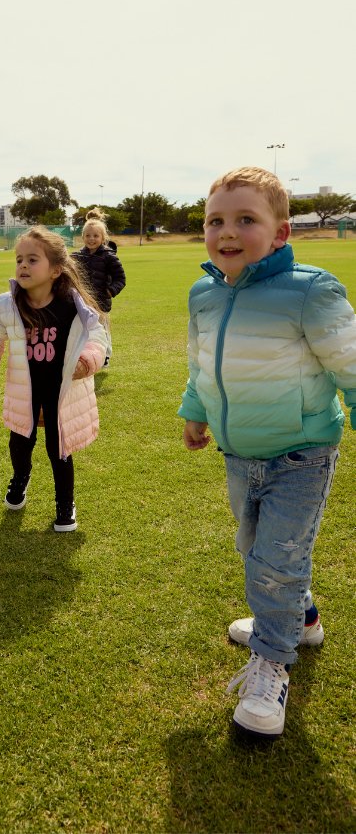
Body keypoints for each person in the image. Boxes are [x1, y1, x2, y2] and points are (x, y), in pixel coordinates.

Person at [178, 166, 356, 738]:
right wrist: (196, 409)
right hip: (238, 452)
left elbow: (350, 363)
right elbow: (201, 362)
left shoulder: (310, 290)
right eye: (216, 221)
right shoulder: (204, 293)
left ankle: (272, 663)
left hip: (301, 453)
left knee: (276, 561)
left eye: (245, 220)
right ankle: (301, 620)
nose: (227, 232)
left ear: (280, 232)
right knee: (255, 546)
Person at [0, 225, 107, 532]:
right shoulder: (8, 304)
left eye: (33, 260)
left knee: (58, 448)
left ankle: (65, 503)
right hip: (25, 389)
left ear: (56, 270)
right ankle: (20, 477)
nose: (23, 265)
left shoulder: (72, 306)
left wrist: (87, 360)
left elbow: (97, 336)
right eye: (19, 259)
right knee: (20, 441)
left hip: (60, 391)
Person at [72, 208, 126, 366]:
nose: (91, 239)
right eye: (88, 236)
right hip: (82, 302)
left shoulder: (109, 257)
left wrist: (109, 291)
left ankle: (105, 356)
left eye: (95, 236)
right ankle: (85, 356)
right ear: (83, 237)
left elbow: (120, 279)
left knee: (102, 330)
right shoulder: (77, 257)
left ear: (103, 238)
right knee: (84, 330)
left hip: (101, 303)